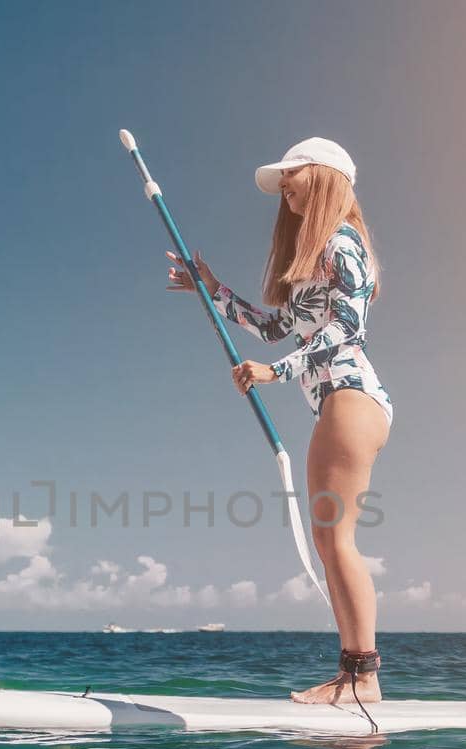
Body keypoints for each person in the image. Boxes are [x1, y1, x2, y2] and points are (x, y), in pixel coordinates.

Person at [165, 137, 393, 706]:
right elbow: (272, 327)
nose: (284, 185)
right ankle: (354, 674)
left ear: (325, 178)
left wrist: (277, 373)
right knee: (329, 539)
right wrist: (211, 291)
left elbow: (346, 331)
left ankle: (362, 677)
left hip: (350, 394)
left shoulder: (344, 243)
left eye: (294, 174)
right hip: (340, 401)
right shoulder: (315, 261)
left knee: (336, 539)